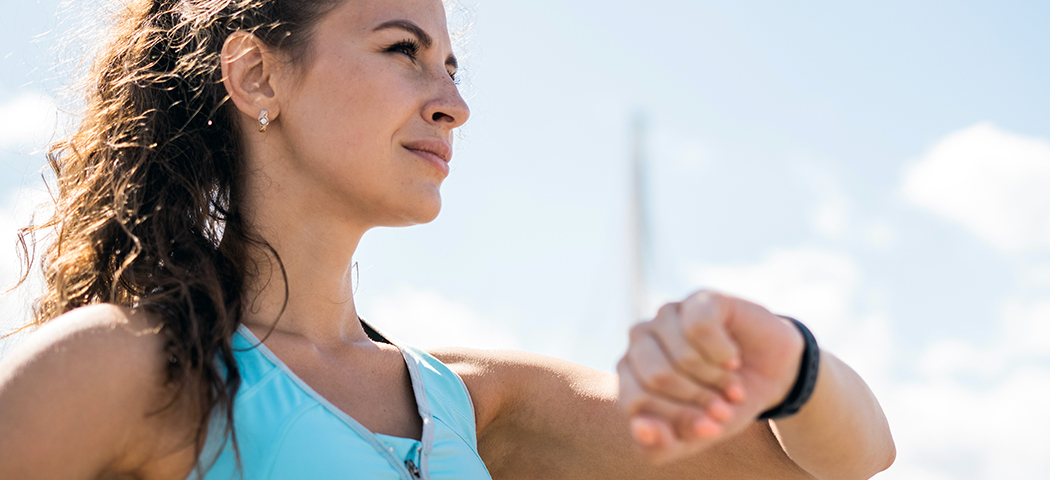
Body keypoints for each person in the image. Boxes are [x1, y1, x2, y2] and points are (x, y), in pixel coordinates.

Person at [0, 0, 895, 478]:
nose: (454, 103)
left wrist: (787, 363)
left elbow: (831, 471)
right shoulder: (133, 371)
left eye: (453, 65)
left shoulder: (471, 407)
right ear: (255, 73)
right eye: (403, 50)